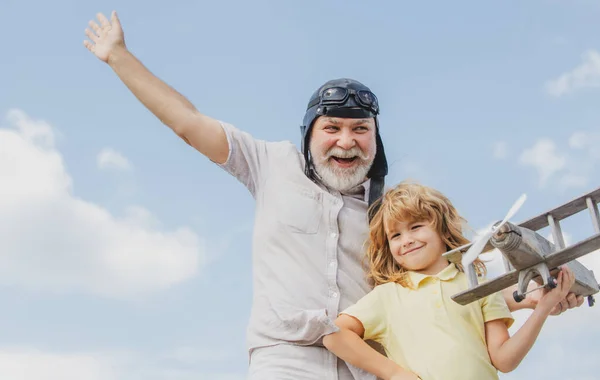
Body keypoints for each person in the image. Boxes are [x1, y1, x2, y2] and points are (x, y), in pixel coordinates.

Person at [82, 11, 584, 379]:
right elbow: (188, 123)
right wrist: (119, 58)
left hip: (373, 365)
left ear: (375, 138)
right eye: (334, 127)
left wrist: (527, 302)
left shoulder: (391, 213)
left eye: (360, 130)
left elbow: (429, 294)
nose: (347, 140)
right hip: (287, 358)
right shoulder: (268, 163)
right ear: (309, 133)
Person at [323, 182, 576, 380]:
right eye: (395, 235)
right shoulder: (389, 295)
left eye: (416, 226)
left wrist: (541, 309)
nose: (407, 240)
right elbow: (335, 335)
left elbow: (504, 360)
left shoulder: (477, 286)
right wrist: (394, 373)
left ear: (442, 229)